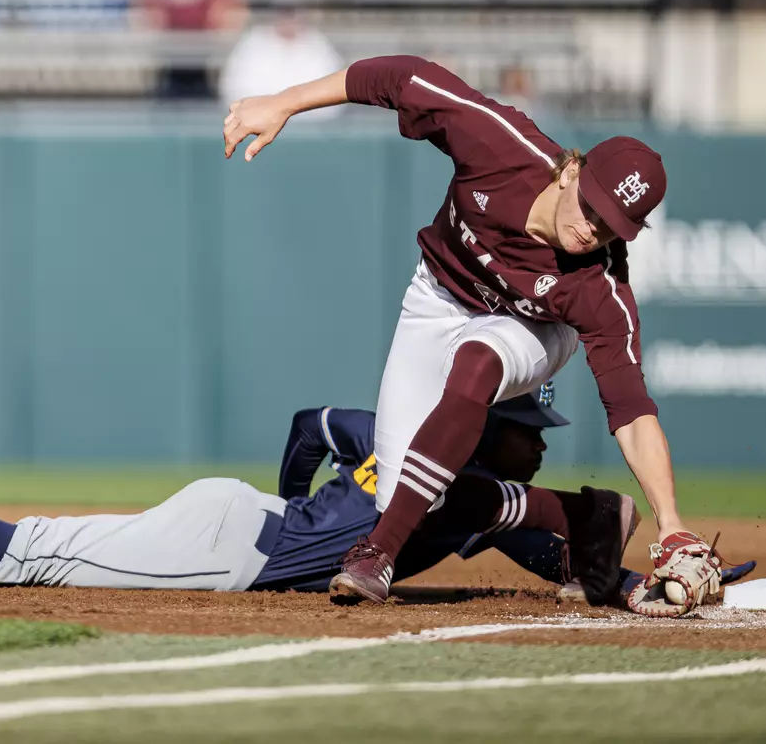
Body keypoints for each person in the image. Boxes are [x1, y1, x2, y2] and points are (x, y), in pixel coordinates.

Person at [221, 55, 724, 617]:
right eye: (592, 207)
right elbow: (396, 77)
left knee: (477, 360)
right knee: (410, 501)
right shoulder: (498, 144)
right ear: (572, 169)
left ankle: (376, 558)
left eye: (611, 224)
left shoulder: (598, 286)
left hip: (534, 331)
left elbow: (631, 410)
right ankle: (588, 519)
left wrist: (673, 523)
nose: (591, 229)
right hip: (435, 300)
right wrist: (284, 101)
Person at [0, 391, 753, 600]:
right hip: (240, 549)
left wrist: (290, 504)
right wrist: (646, 569)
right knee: (27, 547)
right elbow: (564, 525)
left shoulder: (408, 435)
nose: (537, 450)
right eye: (531, 433)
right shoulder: (471, 484)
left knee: (30, 548)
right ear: (497, 432)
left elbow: (314, 422)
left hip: (243, 519)